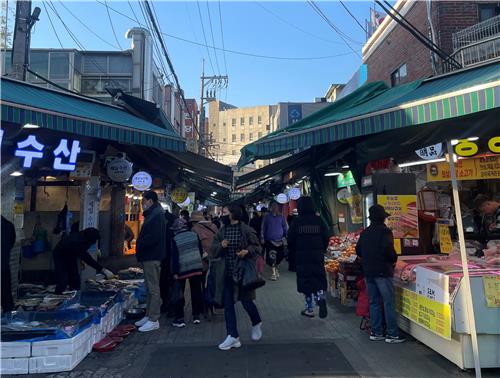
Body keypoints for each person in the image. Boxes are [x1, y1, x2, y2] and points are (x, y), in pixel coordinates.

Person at [210, 204, 263, 351]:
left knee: (247, 302)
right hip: (226, 274)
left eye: (225, 212)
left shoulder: (246, 230)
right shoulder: (222, 231)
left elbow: (257, 247)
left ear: (233, 214)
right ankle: (233, 336)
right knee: (228, 305)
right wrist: (221, 245)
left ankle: (256, 322)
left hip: (243, 274)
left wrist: (247, 251)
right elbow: (212, 251)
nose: (222, 215)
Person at [356, 204, 405, 344]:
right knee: (388, 302)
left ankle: (376, 332)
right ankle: (392, 334)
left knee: (374, 302)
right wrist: (394, 259)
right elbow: (388, 250)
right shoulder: (385, 232)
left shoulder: (365, 233)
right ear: (383, 218)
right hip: (383, 272)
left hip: (368, 272)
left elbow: (358, 250)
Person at [287, 197, 328, 318]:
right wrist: (321, 250)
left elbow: (290, 239)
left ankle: (309, 309)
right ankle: (320, 298)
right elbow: (326, 237)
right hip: (317, 256)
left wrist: (293, 253)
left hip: (302, 257)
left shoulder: (297, 222)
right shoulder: (319, 220)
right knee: (318, 279)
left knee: (306, 282)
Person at [134, 190, 166, 332]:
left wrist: (141, 244)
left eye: (143, 201)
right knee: (149, 287)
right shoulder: (153, 214)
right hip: (149, 256)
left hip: (152, 256)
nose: (142, 204)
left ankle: (154, 318)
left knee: (153, 288)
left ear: (150, 201)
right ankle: (148, 315)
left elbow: (154, 237)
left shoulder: (156, 215)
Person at [52, 227, 114, 294]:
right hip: (60, 254)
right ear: (90, 239)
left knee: (75, 277)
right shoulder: (78, 241)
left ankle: (75, 294)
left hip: (71, 254)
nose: (94, 242)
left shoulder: (86, 237)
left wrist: (98, 249)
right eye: (94, 241)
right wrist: (102, 270)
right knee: (63, 279)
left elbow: (83, 253)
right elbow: (86, 257)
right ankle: (58, 295)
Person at [170, 218, 205, 327]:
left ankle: (180, 318)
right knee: (196, 292)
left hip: (182, 268)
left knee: (180, 293)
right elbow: (199, 250)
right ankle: (196, 316)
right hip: (196, 266)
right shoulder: (194, 235)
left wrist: (174, 272)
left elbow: (174, 257)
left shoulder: (175, 239)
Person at [261, 201, 288, 280]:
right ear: (270, 207)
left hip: (280, 241)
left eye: (276, 206)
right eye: (273, 206)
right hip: (270, 240)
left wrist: (286, 236)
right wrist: (262, 238)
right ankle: (273, 273)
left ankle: (276, 268)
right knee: (272, 256)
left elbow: (285, 227)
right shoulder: (267, 217)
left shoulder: (281, 217)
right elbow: (263, 228)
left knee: (280, 256)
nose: (274, 208)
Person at [160, 208, 177, 314]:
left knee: (164, 282)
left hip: (164, 258)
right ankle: (172, 305)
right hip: (173, 259)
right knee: (172, 283)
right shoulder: (174, 224)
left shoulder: (161, 223)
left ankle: (167, 304)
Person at [1, 216, 16, 313]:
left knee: (5, 291)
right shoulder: (9, 225)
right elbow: (12, 242)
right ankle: (8, 315)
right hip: (4, 264)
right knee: (6, 292)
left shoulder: (8, 225)